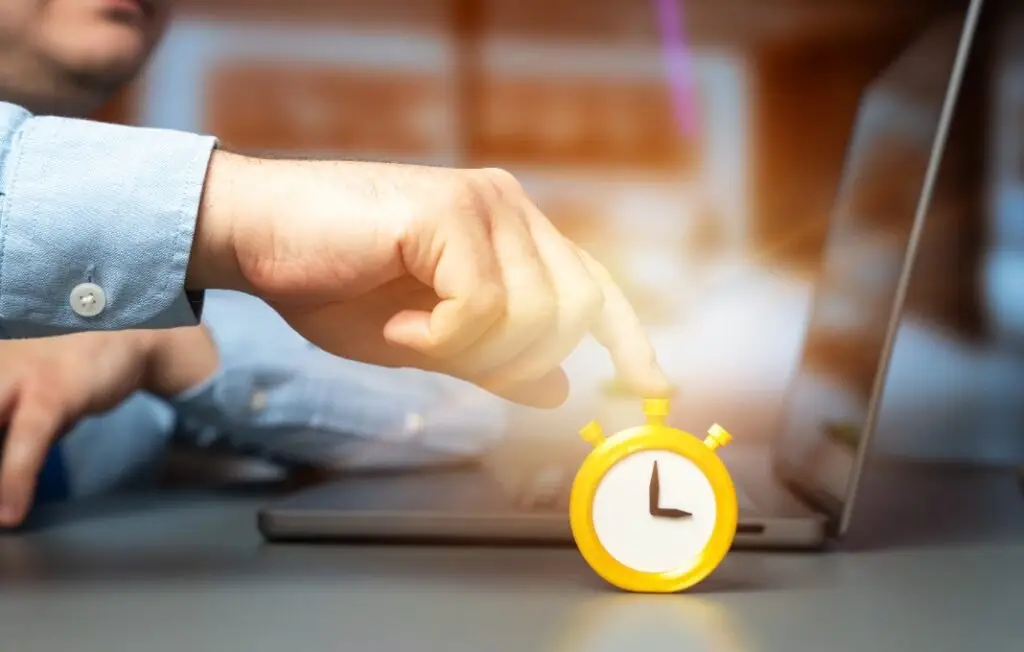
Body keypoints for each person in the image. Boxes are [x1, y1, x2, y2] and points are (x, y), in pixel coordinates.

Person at [0, 0, 670, 526]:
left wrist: (170, 349)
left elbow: (463, 415)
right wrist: (234, 211)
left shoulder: (145, 297)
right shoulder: (194, 236)